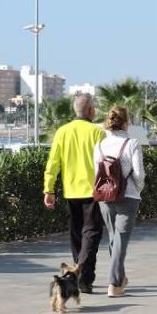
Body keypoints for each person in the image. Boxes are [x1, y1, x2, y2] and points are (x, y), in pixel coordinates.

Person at [43, 93, 105, 293]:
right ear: (90, 111)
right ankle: (83, 276)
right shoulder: (97, 132)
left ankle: (79, 276)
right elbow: (106, 164)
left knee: (77, 236)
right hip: (94, 192)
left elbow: (53, 163)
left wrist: (49, 189)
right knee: (91, 235)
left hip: (71, 192)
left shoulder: (62, 132)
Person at [94, 106, 145, 298]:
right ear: (126, 123)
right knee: (120, 240)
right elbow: (139, 174)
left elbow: (96, 173)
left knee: (114, 239)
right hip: (128, 197)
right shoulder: (132, 143)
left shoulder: (99, 146)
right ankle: (114, 284)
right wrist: (137, 190)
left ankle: (121, 278)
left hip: (104, 198)